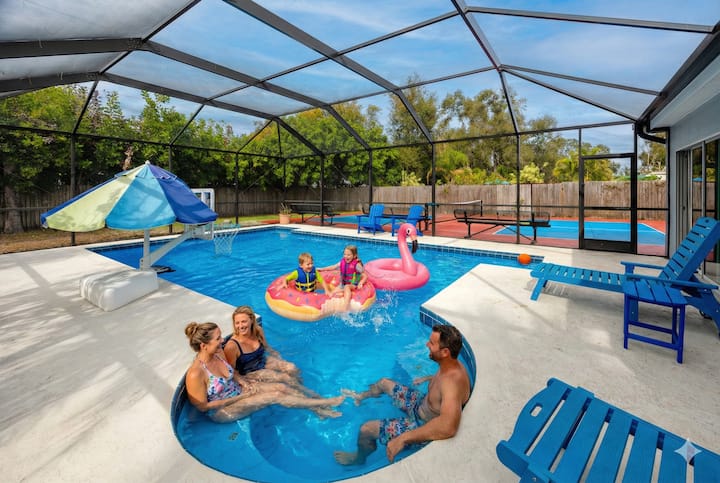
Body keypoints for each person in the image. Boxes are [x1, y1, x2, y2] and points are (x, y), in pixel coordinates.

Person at [334, 324, 470, 465]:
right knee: (383, 383)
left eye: (431, 343)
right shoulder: (450, 364)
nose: (427, 344)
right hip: (420, 404)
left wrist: (403, 438)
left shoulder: (452, 383)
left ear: (445, 352)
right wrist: (429, 378)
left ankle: (359, 459)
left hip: (421, 424)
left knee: (366, 429)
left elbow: (448, 426)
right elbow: (443, 384)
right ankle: (360, 397)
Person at [184, 321, 345, 423]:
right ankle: (324, 403)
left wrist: (243, 382)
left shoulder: (218, 353)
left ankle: (317, 409)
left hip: (240, 391)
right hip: (223, 410)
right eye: (218, 338)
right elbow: (203, 407)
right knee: (275, 396)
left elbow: (234, 373)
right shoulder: (196, 374)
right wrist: (242, 397)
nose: (222, 340)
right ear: (203, 346)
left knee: (282, 387)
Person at [223, 305, 317, 395]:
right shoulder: (232, 346)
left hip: (262, 361)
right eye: (237, 323)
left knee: (291, 368)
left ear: (251, 320)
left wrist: (279, 358)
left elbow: (267, 347)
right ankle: (307, 396)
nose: (240, 326)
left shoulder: (258, 330)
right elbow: (231, 371)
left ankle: (302, 388)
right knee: (284, 378)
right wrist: (244, 383)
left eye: (244, 321)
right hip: (250, 372)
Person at [320, 244, 368, 310]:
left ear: (354, 256)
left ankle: (345, 306)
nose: (346, 256)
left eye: (348, 255)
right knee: (332, 293)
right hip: (343, 284)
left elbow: (365, 275)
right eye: (344, 254)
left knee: (346, 287)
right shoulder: (342, 262)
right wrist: (322, 269)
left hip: (353, 284)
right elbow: (333, 267)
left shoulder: (356, 265)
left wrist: (361, 283)